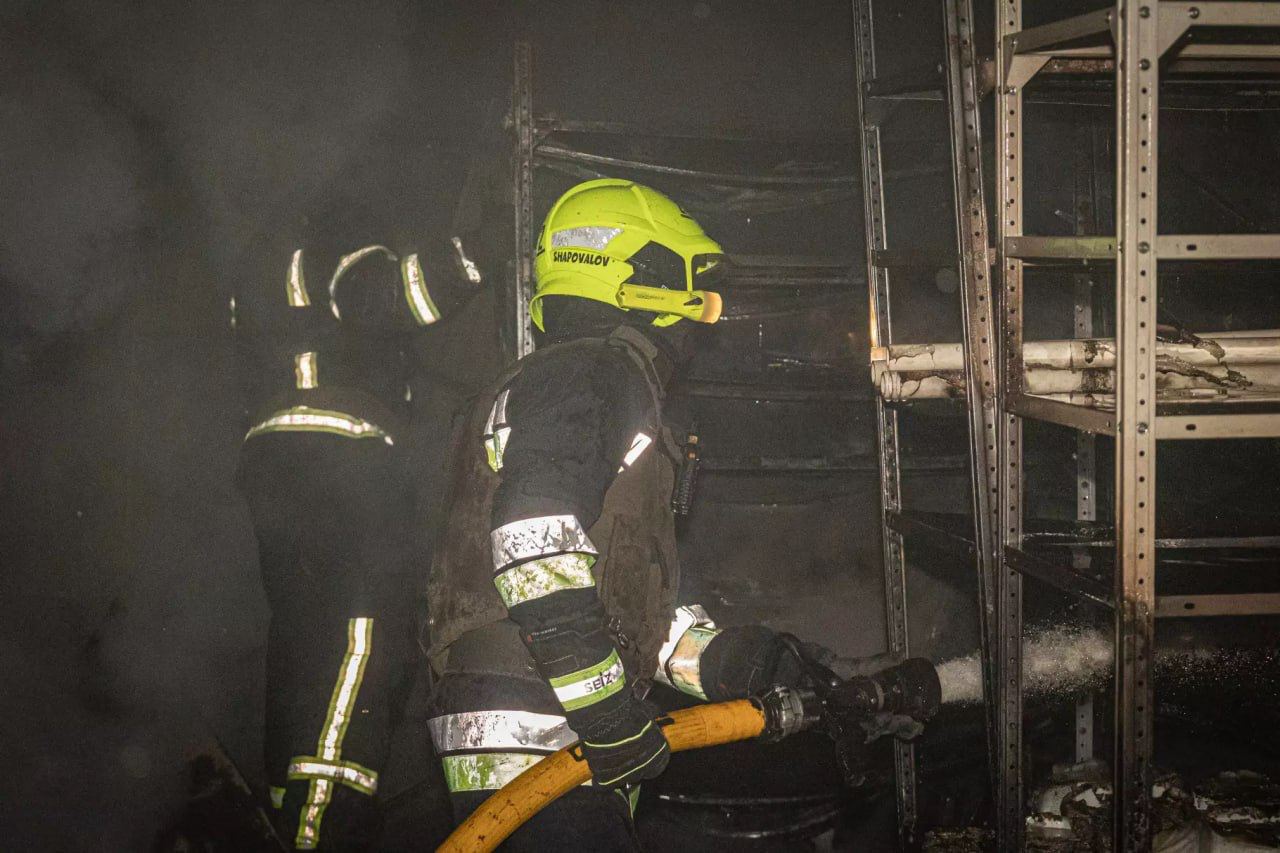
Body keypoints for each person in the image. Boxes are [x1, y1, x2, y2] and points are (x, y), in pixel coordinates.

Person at [425, 178, 887, 849]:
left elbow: (632, 610)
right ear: (633, 273)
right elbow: (532, 539)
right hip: (534, 728)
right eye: (695, 284)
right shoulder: (592, 373)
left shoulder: (584, 379)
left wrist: (742, 661)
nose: (706, 314)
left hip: (542, 719)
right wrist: (607, 712)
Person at [234, 240, 478, 850]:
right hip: (339, 455)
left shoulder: (253, 246)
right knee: (362, 639)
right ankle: (320, 821)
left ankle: (297, 805)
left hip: (279, 461)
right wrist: (476, 251)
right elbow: (391, 296)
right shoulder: (334, 234)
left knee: (306, 646)